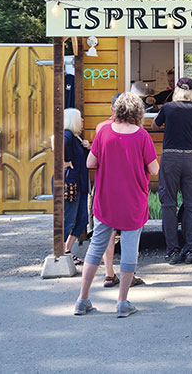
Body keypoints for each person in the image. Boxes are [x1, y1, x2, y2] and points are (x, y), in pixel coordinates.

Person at [74, 92, 159, 318]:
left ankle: (82, 299)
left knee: (96, 247)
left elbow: (90, 162)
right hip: (132, 201)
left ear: (116, 110)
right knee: (130, 249)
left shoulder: (103, 133)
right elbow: (154, 170)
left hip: (106, 200)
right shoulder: (142, 136)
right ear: (137, 111)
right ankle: (122, 302)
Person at [152, 77, 192, 265]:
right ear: (191, 92)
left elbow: (154, 125)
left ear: (176, 91)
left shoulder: (168, 108)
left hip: (171, 158)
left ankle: (173, 251)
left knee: (169, 204)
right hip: (191, 158)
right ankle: (190, 250)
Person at [94, 92, 144, 289]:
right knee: (130, 235)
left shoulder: (101, 128)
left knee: (107, 233)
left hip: (105, 188)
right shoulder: (137, 130)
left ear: (112, 108)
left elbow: (93, 160)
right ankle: (128, 279)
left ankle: (108, 274)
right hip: (130, 189)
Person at [62, 108, 90, 266]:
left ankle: (66, 249)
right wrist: (65, 161)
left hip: (79, 184)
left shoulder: (75, 137)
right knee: (69, 219)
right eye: (80, 118)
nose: (83, 120)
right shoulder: (67, 135)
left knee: (82, 220)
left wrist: (86, 147)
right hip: (71, 183)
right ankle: (61, 252)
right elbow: (60, 144)